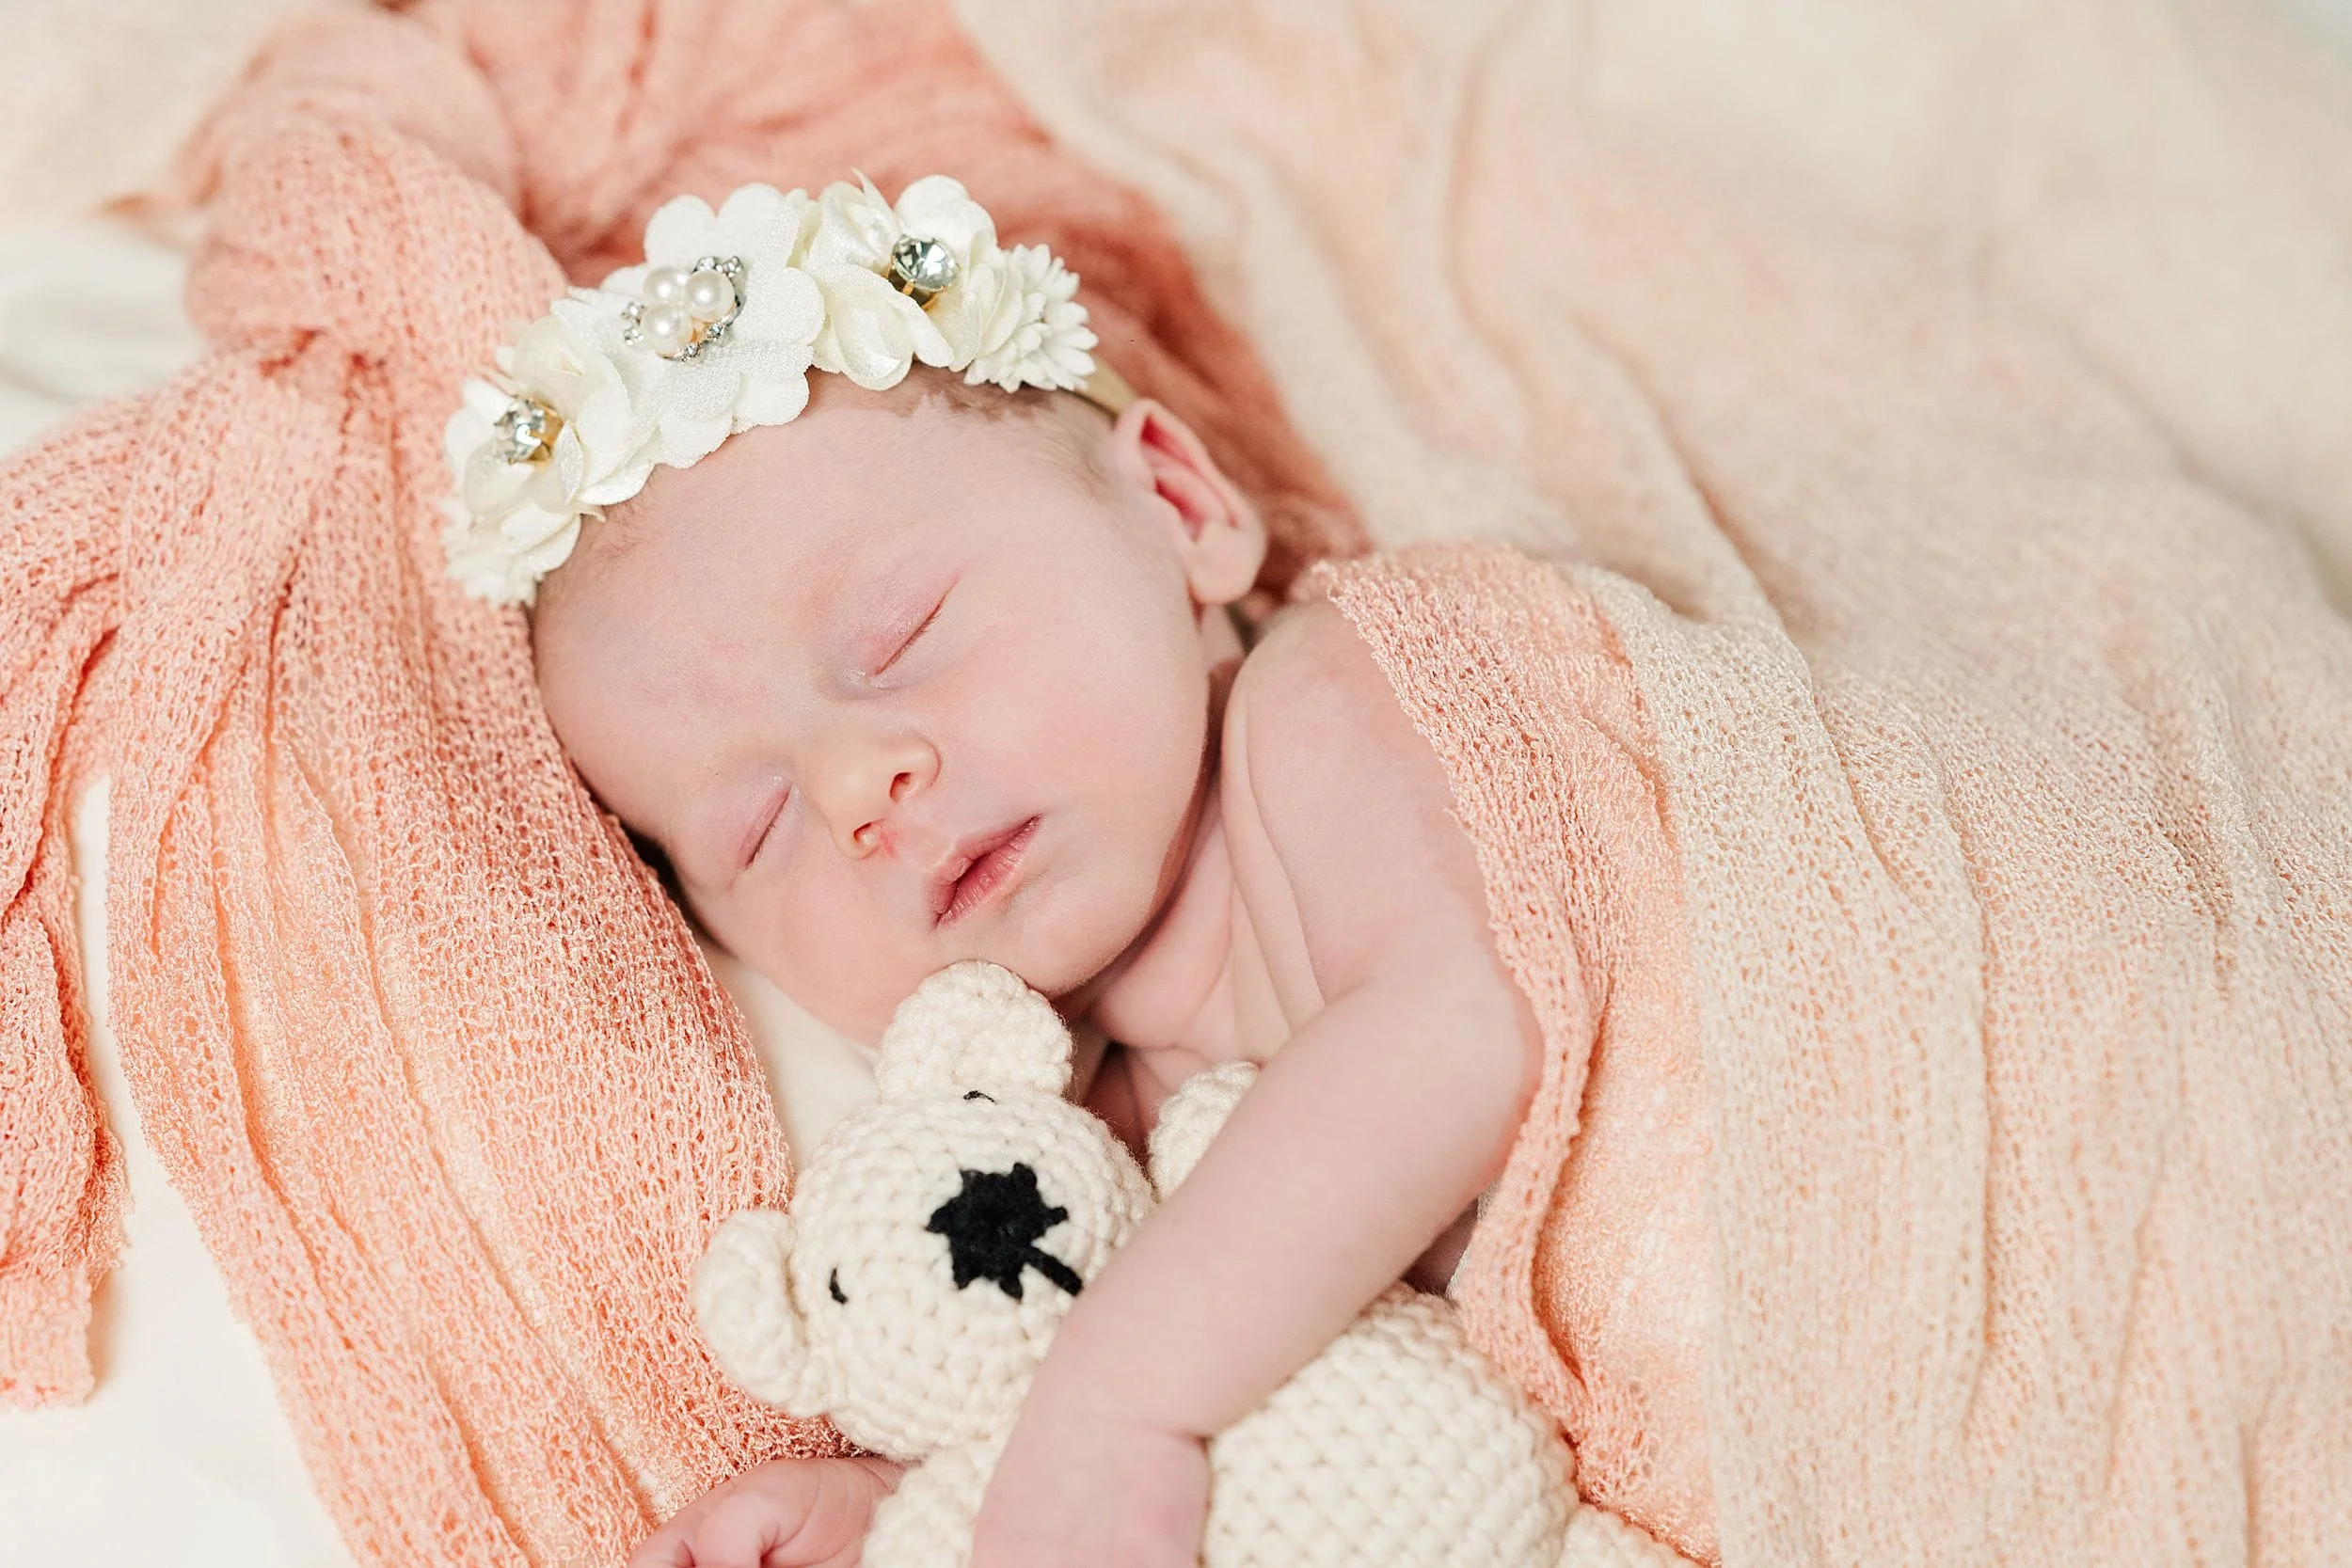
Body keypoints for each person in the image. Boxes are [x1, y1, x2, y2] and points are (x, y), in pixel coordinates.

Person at [530, 367, 1540, 1568]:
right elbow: (1110, 1400)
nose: (858, 790)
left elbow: (1461, 1030)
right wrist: (898, 1502)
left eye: (899, 637)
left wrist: (1113, 1406)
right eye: (756, 825)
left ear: (1176, 504)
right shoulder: (1056, 1129)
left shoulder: (1342, 690)